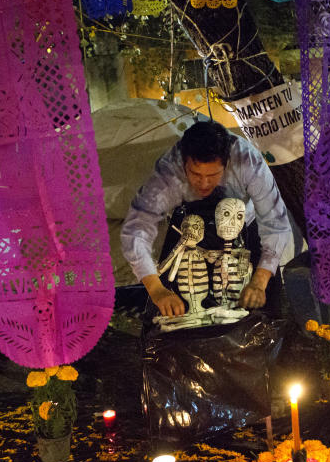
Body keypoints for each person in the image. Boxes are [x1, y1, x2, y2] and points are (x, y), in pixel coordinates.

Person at [121, 120, 292, 317]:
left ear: (227, 163)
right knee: (169, 320)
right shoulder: (168, 171)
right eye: (195, 174)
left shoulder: (248, 161)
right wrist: (156, 290)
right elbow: (136, 231)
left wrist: (259, 282)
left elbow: (276, 223)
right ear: (183, 163)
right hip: (189, 227)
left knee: (265, 315)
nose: (203, 183)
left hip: (242, 223)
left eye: (212, 175)